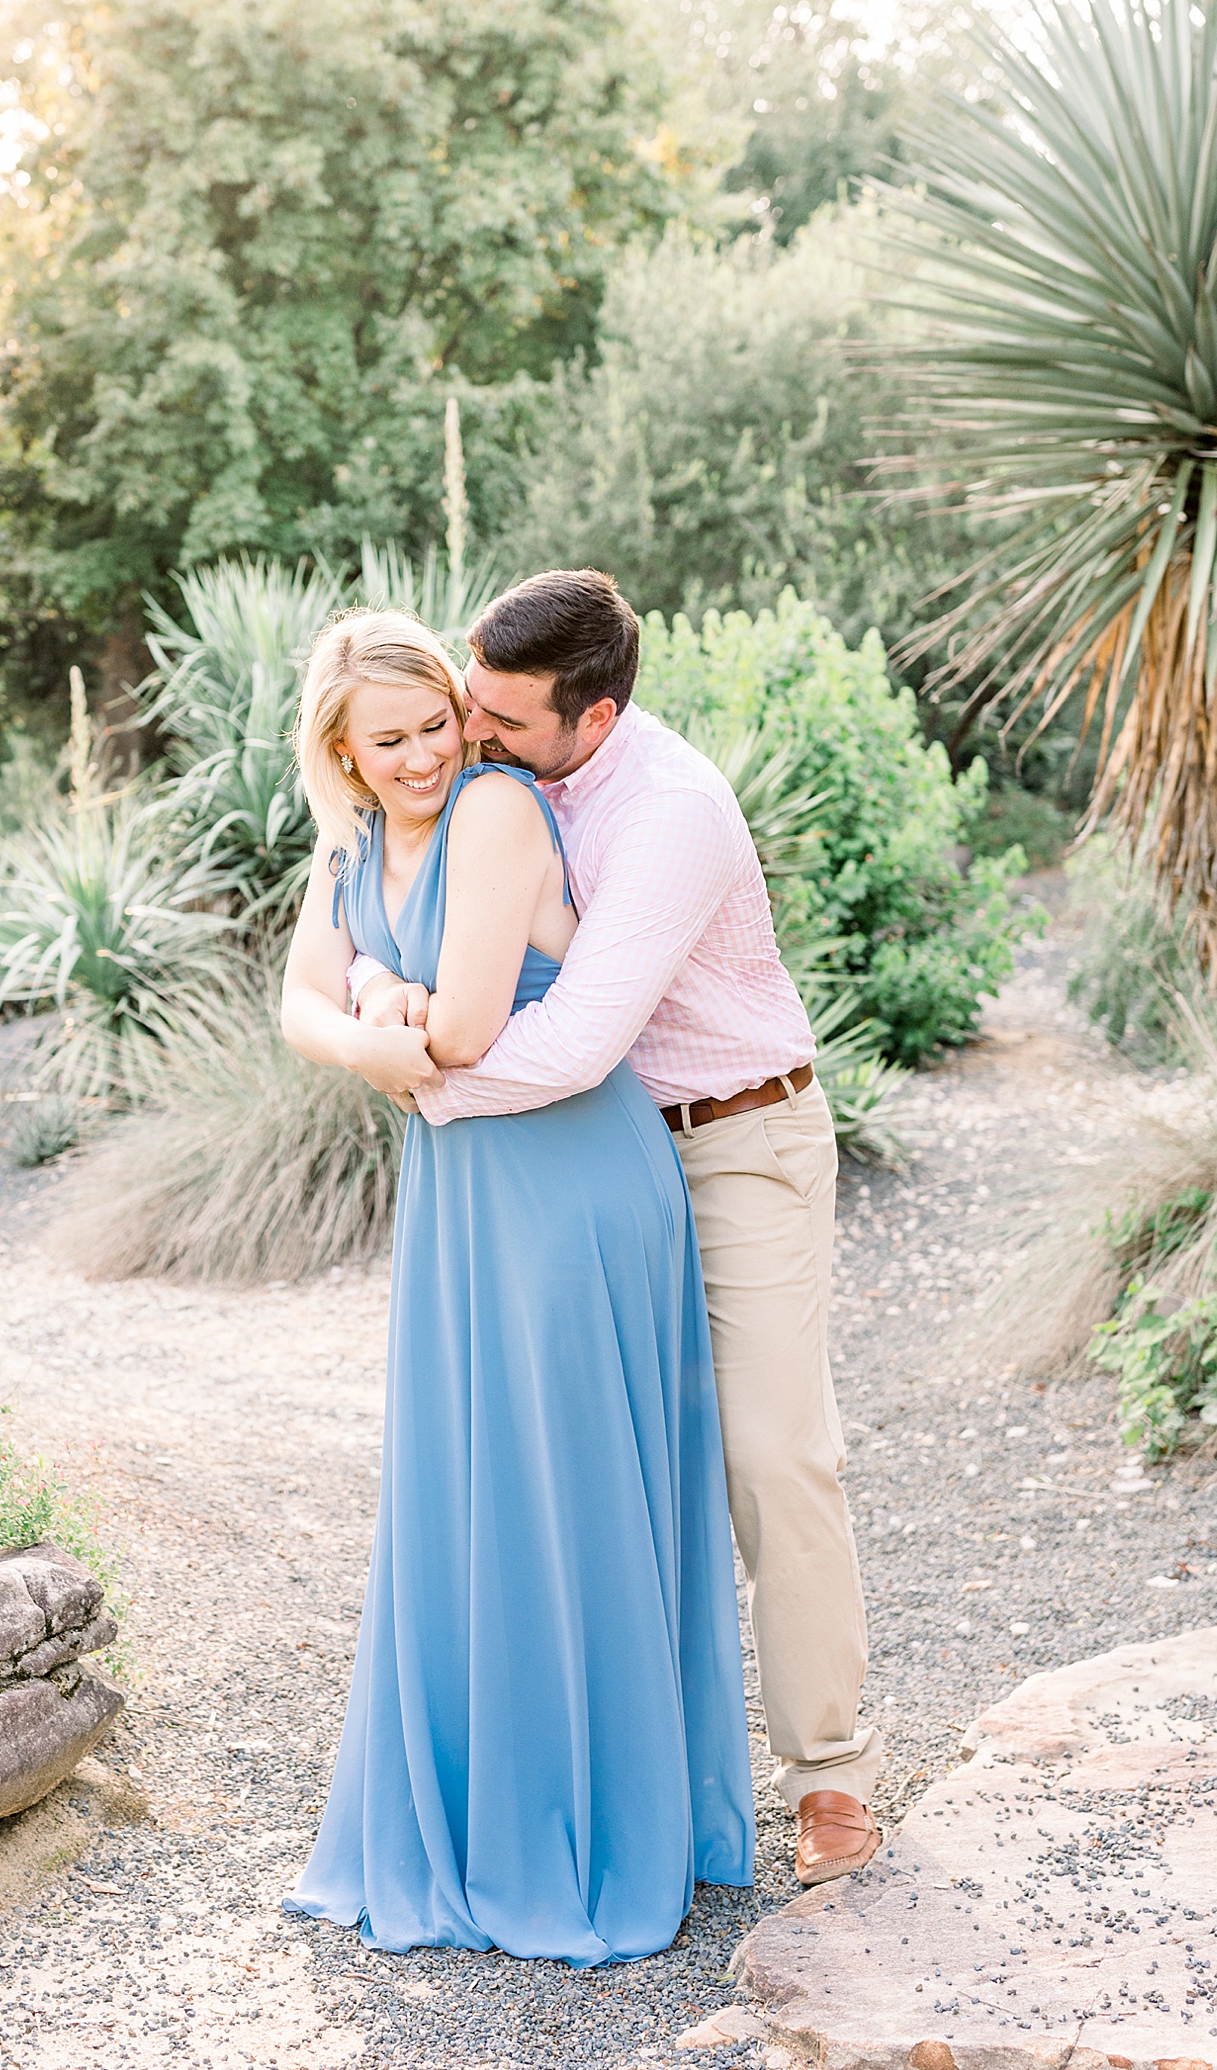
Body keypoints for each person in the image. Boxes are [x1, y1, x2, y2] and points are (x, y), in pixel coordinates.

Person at [354, 570, 881, 1889]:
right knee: (610, 1467)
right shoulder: (490, 786)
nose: (469, 731)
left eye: (501, 718)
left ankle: (829, 1775)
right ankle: (622, 1777)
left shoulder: (672, 813)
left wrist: (417, 1078)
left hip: (738, 1142)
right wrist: (369, 986)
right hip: (599, 1167)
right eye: (468, 700)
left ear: (589, 722)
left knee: (770, 1454)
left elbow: (583, 1037)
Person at [278, 605, 754, 1964]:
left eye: (439, 721)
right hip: (460, 1189)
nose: (429, 752)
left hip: (562, 1187)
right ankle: (482, 1811)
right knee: (471, 1488)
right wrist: (372, 1001)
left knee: (567, 1493)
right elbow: (295, 1006)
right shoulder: (353, 839)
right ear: (343, 750)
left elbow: (474, 1030)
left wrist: (375, 1009)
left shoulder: (493, 810)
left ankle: (593, 1825)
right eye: (394, 738)